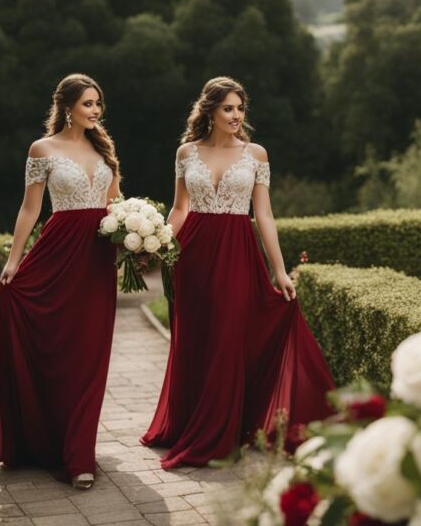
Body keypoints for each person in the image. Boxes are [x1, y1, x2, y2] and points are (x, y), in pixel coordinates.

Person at [142, 76, 335, 468]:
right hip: (191, 255)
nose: (236, 115)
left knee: (229, 337)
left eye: (240, 107)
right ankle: (187, 424)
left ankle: (220, 434)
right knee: (196, 339)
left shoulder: (255, 155)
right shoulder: (186, 153)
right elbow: (180, 209)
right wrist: (157, 243)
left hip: (236, 252)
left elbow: (263, 213)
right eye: (228, 107)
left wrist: (279, 270)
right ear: (209, 110)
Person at [0, 73, 121, 490]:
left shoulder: (105, 150)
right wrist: (14, 260)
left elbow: (116, 204)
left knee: (90, 355)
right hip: (57, 255)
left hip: (97, 260)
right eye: (87, 104)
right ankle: (43, 441)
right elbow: (29, 210)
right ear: (67, 107)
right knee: (57, 351)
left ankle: (80, 453)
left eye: (98, 103)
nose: (95, 111)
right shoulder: (42, 150)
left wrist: (136, 235)